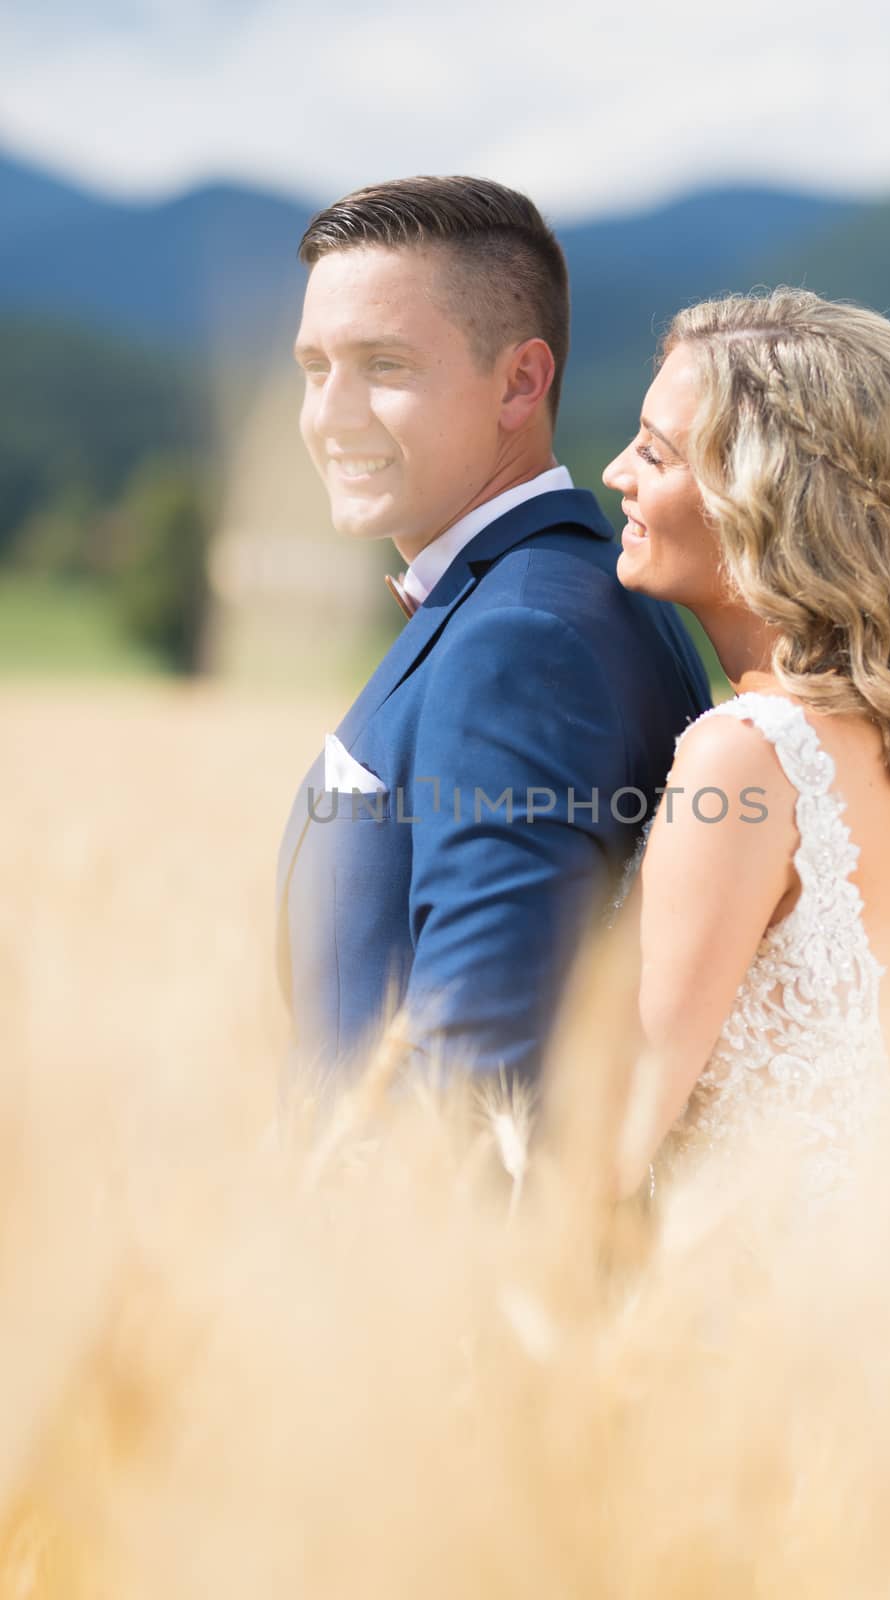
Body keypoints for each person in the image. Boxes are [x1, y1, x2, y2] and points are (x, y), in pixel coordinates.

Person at [275, 176, 710, 1087]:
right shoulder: (583, 581)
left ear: (520, 382)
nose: (331, 415)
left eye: (385, 366)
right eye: (316, 368)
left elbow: (476, 1076)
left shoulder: (521, 639)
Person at [601, 287, 890, 1200]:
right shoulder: (885, 733)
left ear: (754, 496)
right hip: (869, 1301)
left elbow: (611, 1133)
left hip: (752, 1314)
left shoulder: (750, 753)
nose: (615, 473)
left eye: (652, 451)